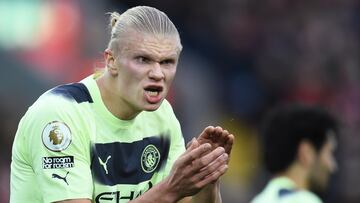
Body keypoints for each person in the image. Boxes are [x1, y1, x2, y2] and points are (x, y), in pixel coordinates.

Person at [10, 6, 234, 203]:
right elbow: (170, 193)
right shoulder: (60, 116)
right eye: (143, 60)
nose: (157, 74)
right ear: (111, 61)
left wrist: (205, 177)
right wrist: (171, 189)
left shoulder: (163, 116)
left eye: (167, 62)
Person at [250, 104, 338, 203]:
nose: (332, 166)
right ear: (306, 152)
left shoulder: (258, 200)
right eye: (328, 153)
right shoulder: (307, 200)